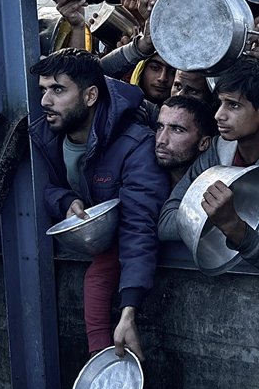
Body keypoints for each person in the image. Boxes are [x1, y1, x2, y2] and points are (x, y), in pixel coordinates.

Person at [29, 48, 169, 359]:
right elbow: (46, 188)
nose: (45, 102)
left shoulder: (135, 145)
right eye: (43, 90)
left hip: (119, 259)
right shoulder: (46, 135)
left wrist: (129, 310)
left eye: (58, 90)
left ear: (90, 96)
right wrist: (66, 200)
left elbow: (139, 226)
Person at [158, 58, 259, 277]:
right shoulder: (216, 151)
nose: (218, 115)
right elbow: (166, 223)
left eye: (233, 105)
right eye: (220, 103)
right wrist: (217, 216)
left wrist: (232, 224)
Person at [154, 95, 215, 185]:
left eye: (177, 130)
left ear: (203, 143)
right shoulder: (141, 173)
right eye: (160, 127)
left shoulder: (211, 186)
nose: (161, 140)